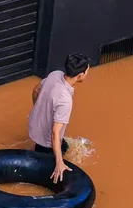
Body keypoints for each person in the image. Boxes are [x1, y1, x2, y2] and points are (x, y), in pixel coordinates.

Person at [29, 53, 90, 183]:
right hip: (45, 141)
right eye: (87, 71)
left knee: (64, 146)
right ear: (80, 75)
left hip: (33, 126)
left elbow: (36, 90)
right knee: (55, 157)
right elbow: (55, 132)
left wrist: (38, 109)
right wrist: (59, 162)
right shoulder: (65, 100)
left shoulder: (55, 74)